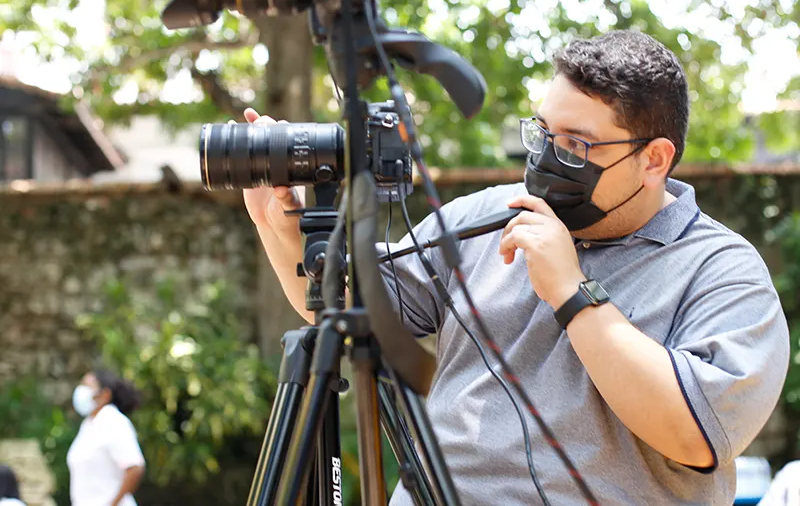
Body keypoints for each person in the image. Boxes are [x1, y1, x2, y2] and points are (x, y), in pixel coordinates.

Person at [242, 30, 790, 505]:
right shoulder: (493, 212)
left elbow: (694, 434)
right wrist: (282, 222)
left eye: (577, 144)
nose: (549, 157)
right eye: (544, 132)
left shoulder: (722, 271)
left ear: (654, 159)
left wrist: (573, 292)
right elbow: (349, 308)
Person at [66, 369, 146, 506]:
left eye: (87, 386)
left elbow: (135, 468)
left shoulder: (112, 420)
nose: (81, 391)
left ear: (105, 394)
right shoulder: (88, 425)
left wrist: (113, 504)